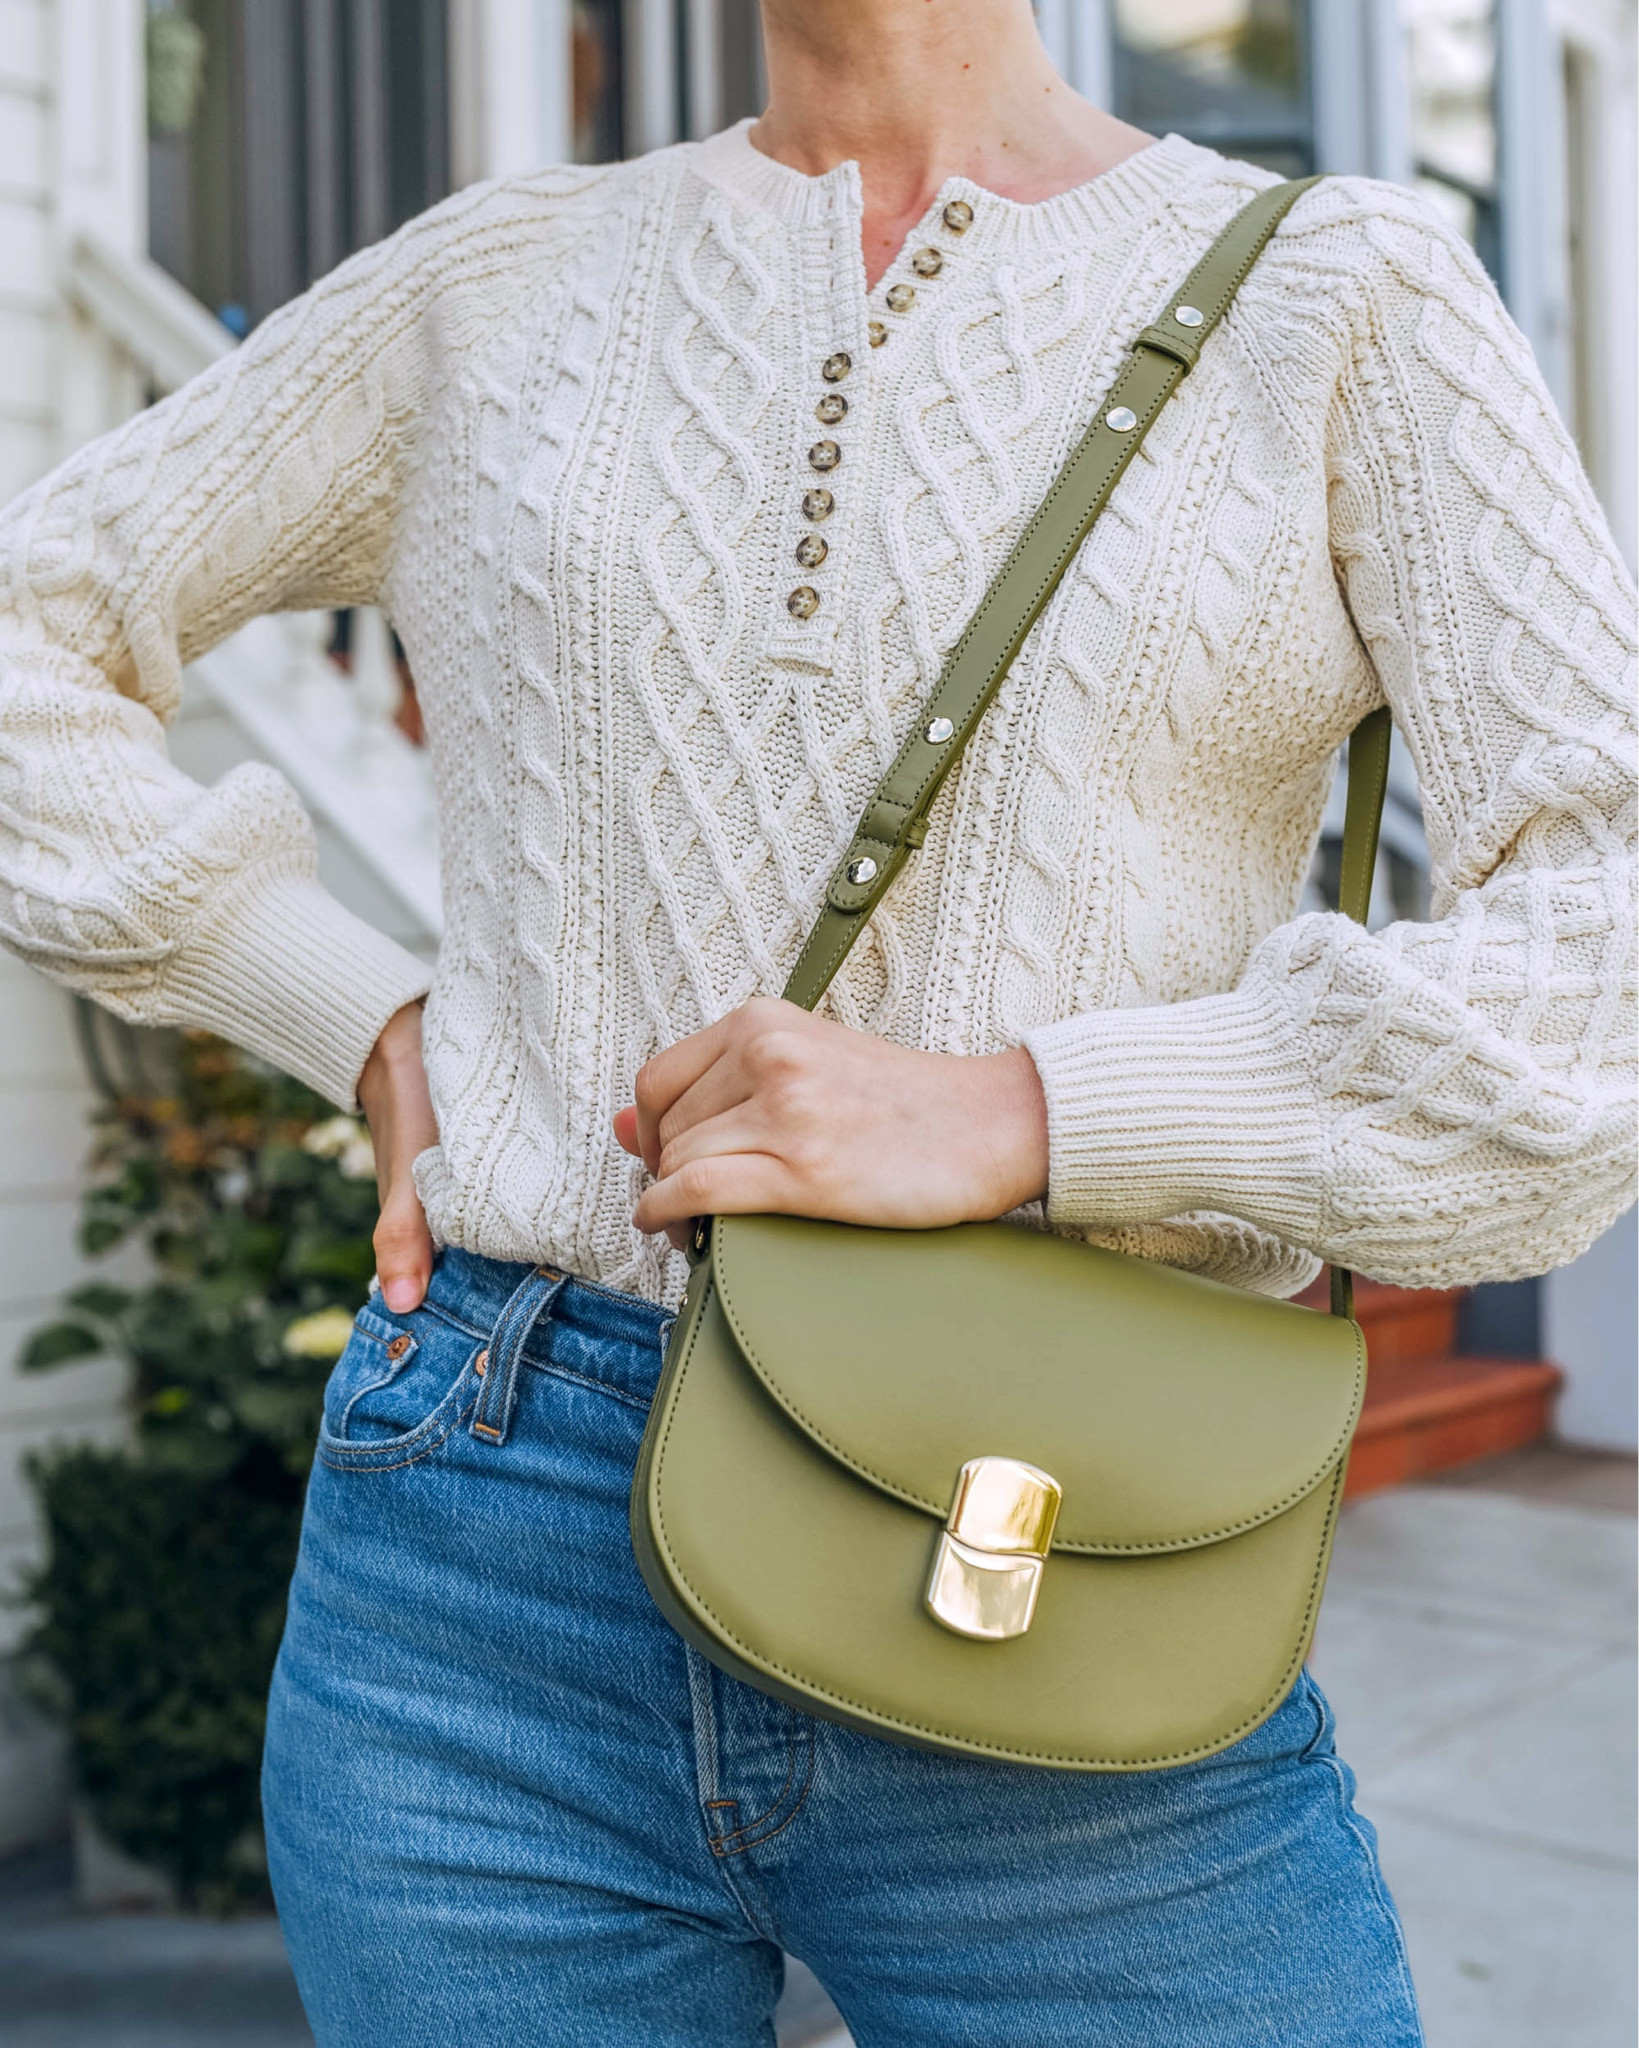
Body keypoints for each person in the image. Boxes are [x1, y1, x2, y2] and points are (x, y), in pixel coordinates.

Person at [1, 0, 1632, 2040]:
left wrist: (1030, 1111)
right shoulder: (490, 280)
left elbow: (1606, 936)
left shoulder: (1345, 297)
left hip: (1052, 1546)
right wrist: (352, 1013)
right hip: (486, 1541)